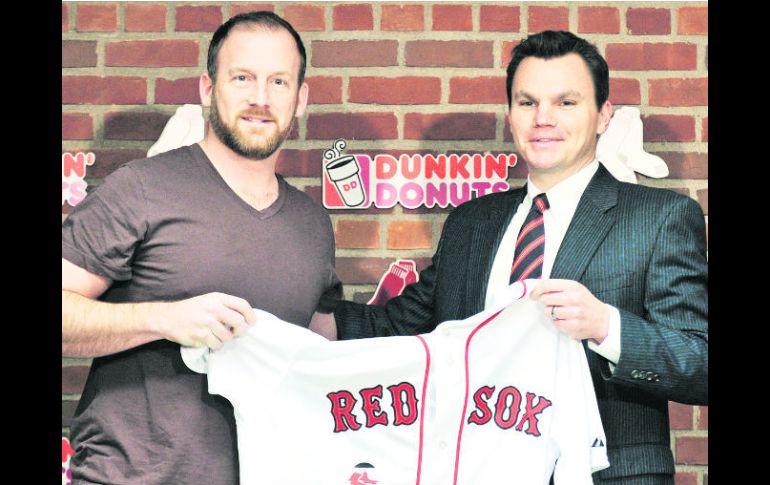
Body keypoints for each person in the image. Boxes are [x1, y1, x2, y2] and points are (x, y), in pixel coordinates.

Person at [314, 30, 708, 485]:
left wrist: (606, 326)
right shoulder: (469, 224)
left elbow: (698, 362)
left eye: (566, 102)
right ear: (510, 115)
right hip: (477, 470)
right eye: (527, 103)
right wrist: (304, 320)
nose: (543, 118)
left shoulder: (659, 218)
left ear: (603, 116)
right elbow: (400, 328)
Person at [62, 11, 341, 484]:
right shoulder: (141, 189)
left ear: (300, 99)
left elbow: (321, 350)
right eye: (242, 78)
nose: (260, 98)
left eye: (278, 82)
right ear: (208, 89)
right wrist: (163, 319)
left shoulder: (312, 224)